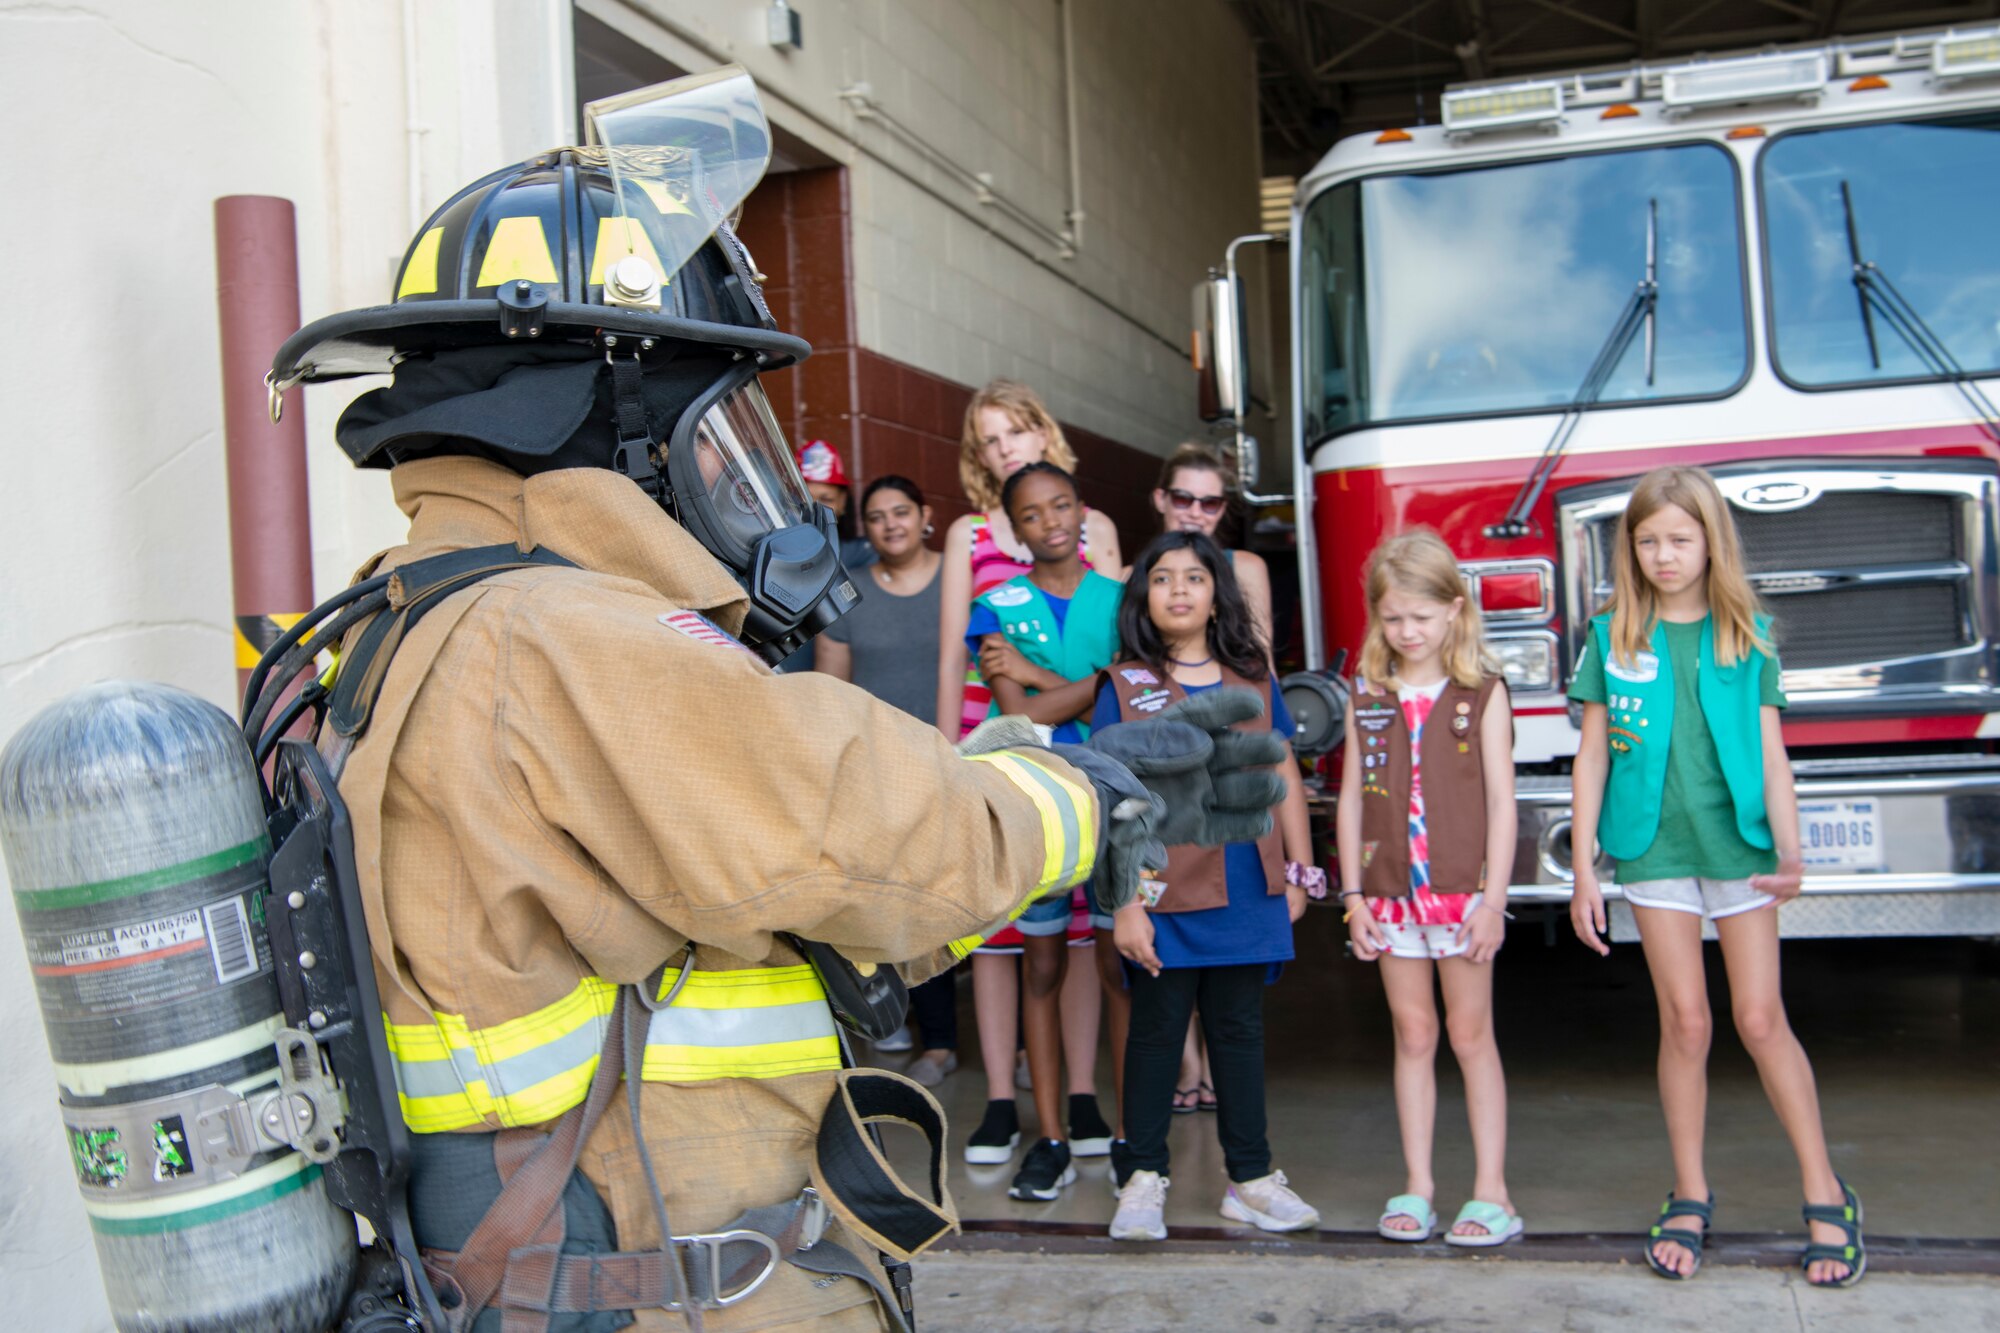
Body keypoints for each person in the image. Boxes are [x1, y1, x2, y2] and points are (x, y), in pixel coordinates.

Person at [255, 68, 1275, 1333]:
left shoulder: (409, 607)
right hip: (675, 1285)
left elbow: (792, 895)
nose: (740, 470)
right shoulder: (568, 635)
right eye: (714, 416)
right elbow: (863, 827)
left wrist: (1020, 769)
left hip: (552, 1269)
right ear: (613, 411)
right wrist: (1089, 791)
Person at [1568, 465, 1863, 1287]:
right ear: (1631, 546)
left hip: (1740, 849)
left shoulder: (1747, 631)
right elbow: (1591, 753)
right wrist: (1586, 867)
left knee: (1761, 1017)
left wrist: (1792, 850)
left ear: (1710, 543)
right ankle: (1690, 1191)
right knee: (1686, 1022)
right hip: (1654, 847)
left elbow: (1772, 753)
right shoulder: (1612, 634)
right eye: (1649, 540)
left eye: (1680, 539)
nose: (1664, 555)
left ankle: (1826, 1192)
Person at [1101, 532, 1320, 1242]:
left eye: (1194, 577)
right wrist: (1125, 903)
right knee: (1158, 1032)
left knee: (1239, 1031)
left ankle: (1250, 1179)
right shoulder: (1123, 686)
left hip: (1247, 885)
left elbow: (1282, 772)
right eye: (1161, 578)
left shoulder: (1254, 679)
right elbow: (1113, 798)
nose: (1179, 590)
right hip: (1163, 893)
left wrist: (1299, 867)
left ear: (1216, 592)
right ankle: (1141, 1179)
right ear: (1144, 597)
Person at [934, 380, 1123, 1176]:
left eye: (1016, 431)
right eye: (991, 439)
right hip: (996, 743)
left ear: (1044, 431)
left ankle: (1080, 1092)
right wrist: (948, 751)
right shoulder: (968, 533)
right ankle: (1004, 1101)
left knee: (1079, 934)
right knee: (998, 930)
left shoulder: (1098, 530)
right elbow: (955, 652)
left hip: (1078, 748)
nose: (1006, 447)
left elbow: (1119, 654)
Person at [1335, 530, 1521, 1247]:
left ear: (1454, 609)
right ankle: (1418, 1185)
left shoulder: (1483, 692)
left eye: (1420, 615)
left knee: (1471, 1034)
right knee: (1413, 1032)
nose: (1406, 631)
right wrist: (1352, 896)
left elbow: (1505, 804)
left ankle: (1492, 1191)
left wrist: (1494, 900)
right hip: (1387, 898)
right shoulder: (1369, 692)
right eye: (1391, 618)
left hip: (1462, 897)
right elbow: (1352, 797)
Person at [816, 475, 957, 1084]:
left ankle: (953, 1042)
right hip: (881, 774)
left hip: (958, 765)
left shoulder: (960, 576)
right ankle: (915, 1027)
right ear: (864, 528)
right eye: (877, 517)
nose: (891, 524)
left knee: (955, 905)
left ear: (925, 515)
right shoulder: (850, 593)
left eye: (903, 512)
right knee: (900, 906)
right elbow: (833, 689)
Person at [1150, 442, 1271, 1112]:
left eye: (1211, 501)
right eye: (1183, 498)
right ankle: (1187, 1061)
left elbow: (1262, 667)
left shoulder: (1246, 567)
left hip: (1231, 752)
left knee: (1226, 908)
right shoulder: (1152, 570)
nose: (1196, 512)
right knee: (1174, 909)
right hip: (1167, 759)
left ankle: (1220, 1062)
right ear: (1161, 500)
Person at [776, 439, 873, 673]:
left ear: (843, 503)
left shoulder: (865, 557)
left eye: (827, 499)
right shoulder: (769, 558)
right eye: (804, 498)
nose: (815, 509)